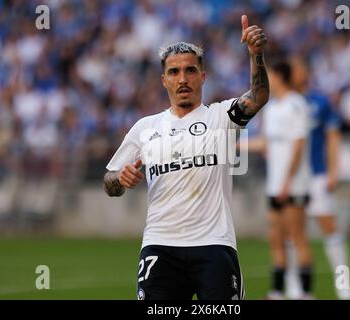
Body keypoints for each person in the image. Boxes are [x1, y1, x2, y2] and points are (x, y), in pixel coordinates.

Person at [103, 15, 269, 300]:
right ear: (163, 79)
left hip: (214, 245)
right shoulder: (145, 128)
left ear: (202, 76)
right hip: (160, 246)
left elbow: (259, 95)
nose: (183, 79)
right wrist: (119, 178)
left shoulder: (222, 116)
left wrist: (256, 55)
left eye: (190, 70)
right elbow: (109, 182)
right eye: (174, 72)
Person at [243, 60, 312, 299]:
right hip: (274, 185)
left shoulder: (297, 105)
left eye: (271, 75)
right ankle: (277, 292)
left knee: (298, 237)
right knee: (276, 238)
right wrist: (236, 145)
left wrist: (287, 181)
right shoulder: (271, 108)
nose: (268, 79)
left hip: (293, 184)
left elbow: (299, 144)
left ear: (280, 77)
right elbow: (266, 142)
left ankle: (304, 293)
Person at [289, 56, 350, 300]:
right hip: (293, 178)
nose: (296, 73)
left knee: (329, 227)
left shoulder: (319, 102)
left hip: (317, 175)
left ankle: (343, 284)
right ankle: (295, 285)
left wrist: (333, 170)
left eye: (298, 68)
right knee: (293, 232)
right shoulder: (283, 103)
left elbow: (333, 137)